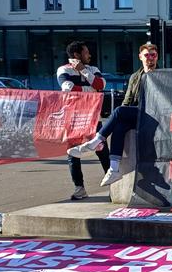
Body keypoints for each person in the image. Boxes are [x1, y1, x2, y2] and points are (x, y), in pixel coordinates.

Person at [67, 43, 159, 187]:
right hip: (137, 114)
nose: (150, 59)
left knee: (118, 111)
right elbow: (127, 100)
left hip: (153, 114)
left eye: (153, 55)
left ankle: (95, 142)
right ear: (140, 57)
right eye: (147, 55)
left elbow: (99, 85)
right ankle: (114, 168)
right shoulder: (135, 77)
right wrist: (123, 114)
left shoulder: (162, 75)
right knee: (119, 125)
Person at [57, 41, 110, 201]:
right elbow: (67, 88)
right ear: (77, 55)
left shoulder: (93, 69)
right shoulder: (63, 69)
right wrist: (90, 90)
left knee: (102, 150)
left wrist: (83, 71)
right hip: (73, 119)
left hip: (93, 117)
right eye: (86, 52)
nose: (90, 55)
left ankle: (114, 185)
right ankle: (79, 188)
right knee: (73, 154)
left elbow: (100, 85)